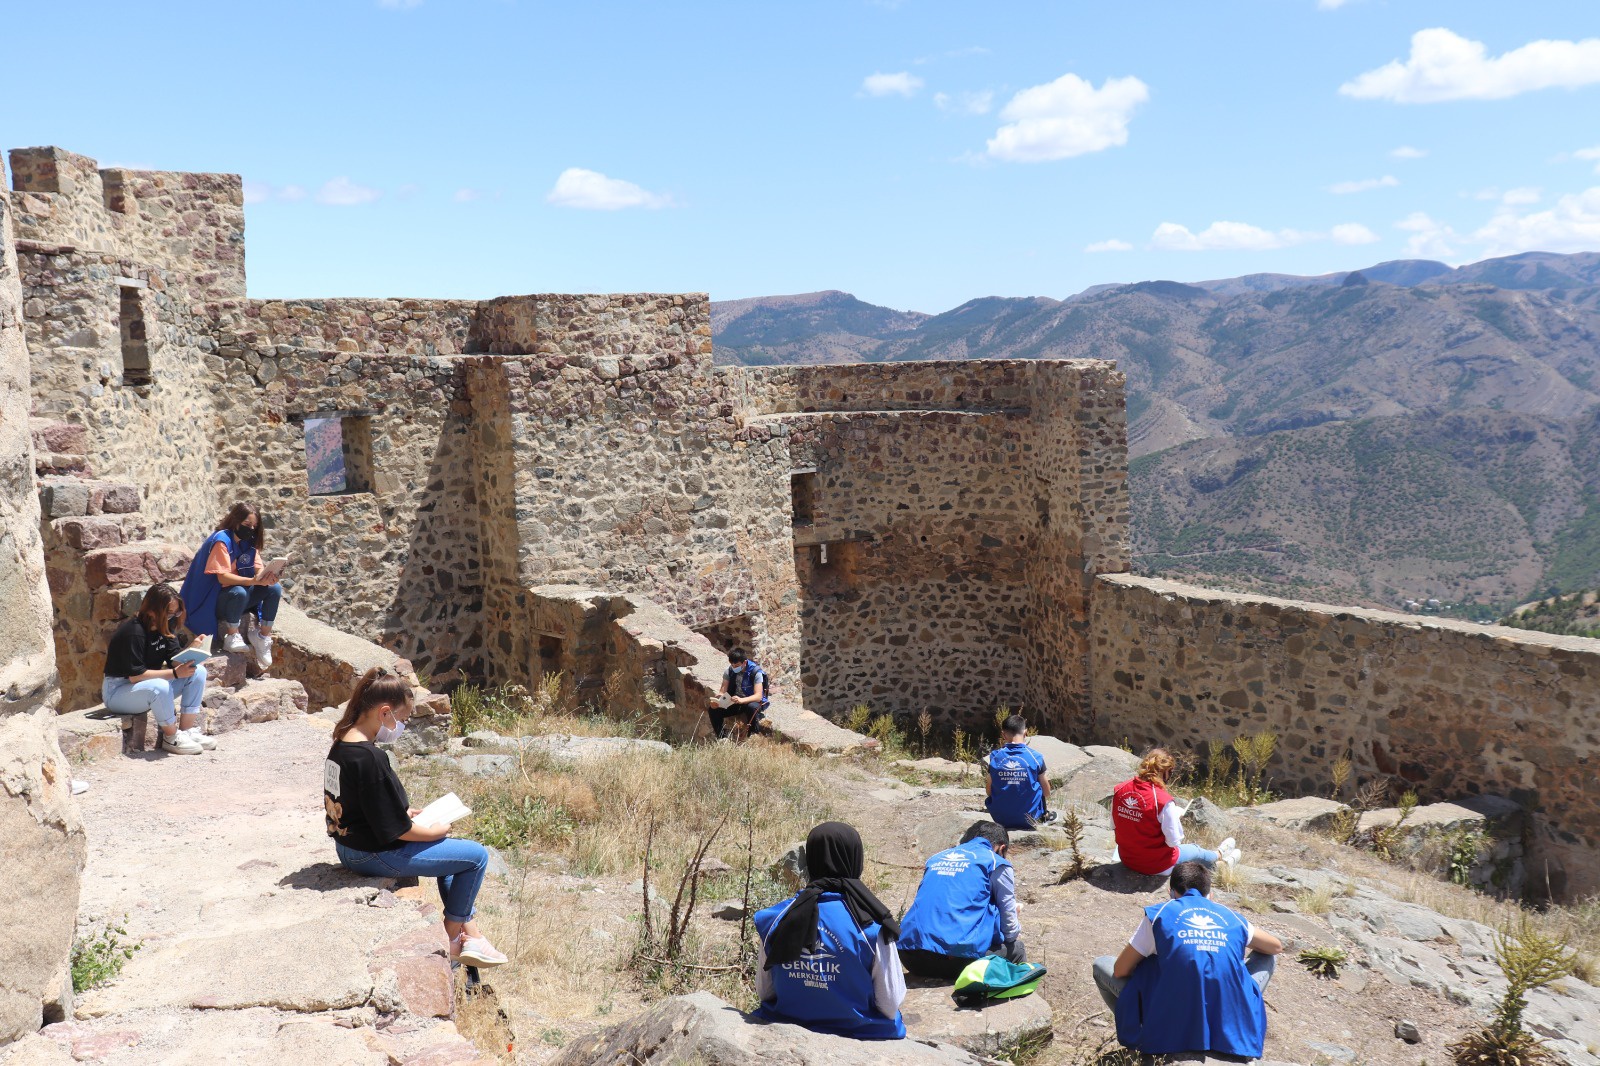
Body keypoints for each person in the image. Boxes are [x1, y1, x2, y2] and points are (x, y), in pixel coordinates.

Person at [324, 667, 507, 969]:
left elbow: (351, 802)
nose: (403, 726)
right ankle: (452, 940)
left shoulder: (341, 743)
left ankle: (470, 933)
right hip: (372, 854)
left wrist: (400, 811)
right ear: (385, 713)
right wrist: (436, 831)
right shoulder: (371, 759)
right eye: (403, 719)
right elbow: (398, 832)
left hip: (347, 848)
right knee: (475, 856)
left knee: (451, 863)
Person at [1091, 861, 1282, 1059]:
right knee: (1267, 957)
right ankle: (1236, 1010)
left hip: (1170, 1012)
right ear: (1211, 895)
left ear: (1170, 892)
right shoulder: (1231, 917)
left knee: (1101, 965)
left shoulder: (1161, 914)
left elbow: (1120, 970)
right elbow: (1275, 946)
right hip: (1226, 1014)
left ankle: (1141, 1029)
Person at [753, 822, 906, 1040]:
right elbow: (890, 1004)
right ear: (855, 859)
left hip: (787, 1024)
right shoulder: (871, 926)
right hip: (860, 1034)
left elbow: (765, 992)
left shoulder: (776, 918)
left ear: (811, 860)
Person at [898, 821, 1024, 977]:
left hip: (909, 956)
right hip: (955, 961)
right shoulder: (996, 862)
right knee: (1017, 949)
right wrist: (1012, 917)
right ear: (1002, 848)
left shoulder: (936, 858)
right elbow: (1010, 932)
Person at [102, 583, 211, 756]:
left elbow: (175, 660)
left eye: (176, 613)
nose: (172, 617)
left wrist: (193, 650)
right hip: (118, 692)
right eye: (169, 613)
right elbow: (135, 676)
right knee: (160, 686)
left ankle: (186, 732)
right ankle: (171, 737)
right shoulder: (134, 632)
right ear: (152, 610)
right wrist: (175, 674)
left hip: (144, 687)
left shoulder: (165, 628)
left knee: (198, 672)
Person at [181, 502, 280, 668]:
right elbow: (223, 578)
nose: (251, 529)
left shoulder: (249, 543)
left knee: (274, 589)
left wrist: (267, 577)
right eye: (247, 525)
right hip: (213, 600)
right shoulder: (222, 540)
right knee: (239, 592)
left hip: (236, 597)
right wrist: (253, 581)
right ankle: (231, 635)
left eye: (255, 526)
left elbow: (258, 569)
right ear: (235, 521)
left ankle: (262, 636)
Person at [1112, 748, 1240, 875]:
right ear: (1165, 772)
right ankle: (1218, 856)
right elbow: (1173, 841)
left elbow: (1114, 825)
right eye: (1171, 772)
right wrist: (1174, 817)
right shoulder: (1162, 800)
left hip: (1127, 859)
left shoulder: (1120, 789)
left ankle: (1220, 863)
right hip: (1155, 865)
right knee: (1195, 850)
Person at [985, 716, 1054, 828]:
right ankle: (1044, 815)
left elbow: (989, 791)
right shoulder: (1036, 757)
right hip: (1029, 819)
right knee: (1040, 784)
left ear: (1003, 735)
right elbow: (1046, 792)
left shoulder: (995, 757)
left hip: (1000, 818)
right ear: (1025, 733)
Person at [712, 647, 769, 740]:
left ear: (744, 662)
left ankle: (753, 734)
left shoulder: (756, 672)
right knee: (713, 710)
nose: (734, 667)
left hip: (749, 700)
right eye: (732, 665)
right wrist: (718, 700)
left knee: (752, 708)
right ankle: (721, 737)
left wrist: (742, 700)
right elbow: (723, 691)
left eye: (737, 665)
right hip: (735, 701)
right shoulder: (729, 671)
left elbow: (758, 696)